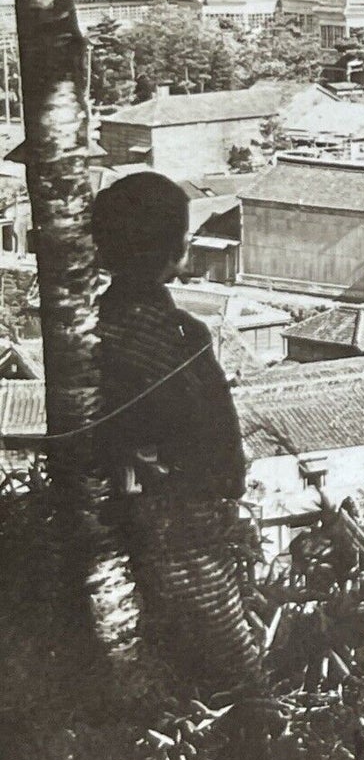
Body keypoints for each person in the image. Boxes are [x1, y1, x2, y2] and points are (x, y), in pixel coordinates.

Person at [93, 171, 261, 696]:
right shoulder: (184, 336)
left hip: (106, 525)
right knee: (235, 678)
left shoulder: (88, 332)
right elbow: (223, 454)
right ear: (176, 249)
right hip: (181, 531)